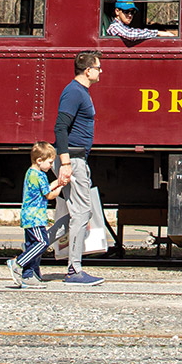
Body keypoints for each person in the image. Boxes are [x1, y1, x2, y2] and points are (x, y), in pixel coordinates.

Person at [53, 50, 105, 285]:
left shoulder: (79, 92)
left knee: (76, 213)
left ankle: (27, 256)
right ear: (88, 70)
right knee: (82, 212)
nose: (100, 71)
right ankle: (74, 270)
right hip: (72, 159)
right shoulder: (74, 92)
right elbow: (60, 128)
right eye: (98, 67)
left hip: (76, 159)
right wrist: (65, 163)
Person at [6, 142, 63, 288]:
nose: (51, 166)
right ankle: (17, 263)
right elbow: (49, 195)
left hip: (29, 216)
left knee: (32, 246)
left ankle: (29, 276)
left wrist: (57, 182)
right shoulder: (40, 175)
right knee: (42, 243)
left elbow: (45, 189)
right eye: (50, 162)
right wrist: (62, 185)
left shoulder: (31, 173)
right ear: (39, 160)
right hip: (36, 217)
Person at [105, 0, 174, 46]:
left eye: (132, 12)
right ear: (117, 11)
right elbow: (130, 35)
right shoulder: (114, 26)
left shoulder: (124, 26)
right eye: (126, 12)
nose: (130, 15)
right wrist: (158, 33)